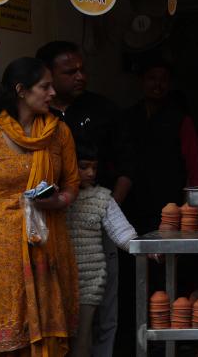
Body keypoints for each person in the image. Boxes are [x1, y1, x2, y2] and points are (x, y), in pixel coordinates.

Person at [0, 57, 80, 356]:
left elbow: (72, 184)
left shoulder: (59, 134)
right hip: (0, 254)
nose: (52, 93)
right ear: (21, 90)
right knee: (4, 336)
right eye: (45, 87)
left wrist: (58, 200)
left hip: (49, 247)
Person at [36, 41, 134, 357]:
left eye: (82, 69)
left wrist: (105, 208)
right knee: (59, 306)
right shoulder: (36, 116)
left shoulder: (103, 110)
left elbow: (126, 166)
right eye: (70, 71)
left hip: (99, 221)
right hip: (52, 221)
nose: (80, 76)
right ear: (47, 76)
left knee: (103, 305)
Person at [65, 140, 139, 357]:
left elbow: (122, 232)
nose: (90, 173)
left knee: (82, 339)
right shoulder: (55, 197)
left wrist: (146, 250)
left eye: (94, 168)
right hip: (58, 278)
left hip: (90, 280)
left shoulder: (101, 198)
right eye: (84, 166)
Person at [120, 59, 198, 234]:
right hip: (134, 201)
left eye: (164, 79)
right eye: (152, 78)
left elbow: (194, 165)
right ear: (142, 81)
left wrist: (195, 205)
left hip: (169, 203)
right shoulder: (128, 118)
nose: (158, 84)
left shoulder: (181, 120)